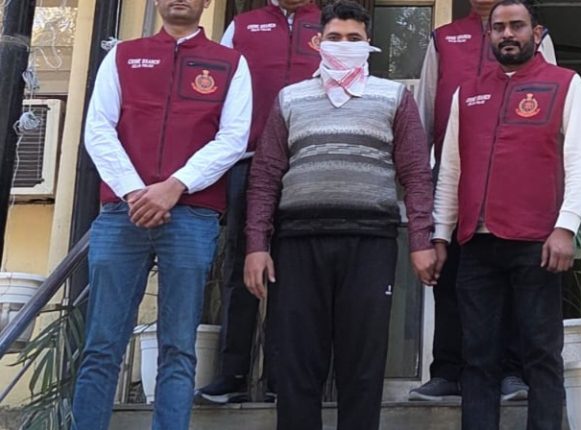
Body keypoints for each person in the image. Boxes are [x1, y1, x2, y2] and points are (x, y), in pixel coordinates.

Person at [244, 1, 437, 428]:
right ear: (318, 42)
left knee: (363, 367)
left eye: (354, 38)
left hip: (370, 244)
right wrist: (256, 245)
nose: (344, 45)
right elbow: (265, 175)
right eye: (335, 37)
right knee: (297, 367)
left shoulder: (395, 97)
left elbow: (416, 174)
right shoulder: (290, 99)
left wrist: (421, 240)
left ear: (369, 44)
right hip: (297, 246)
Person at [71, 0, 251, 428]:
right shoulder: (123, 55)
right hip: (122, 212)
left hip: (192, 215)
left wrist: (175, 186)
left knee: (178, 348)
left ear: (207, 2)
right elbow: (98, 128)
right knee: (101, 346)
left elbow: (233, 138)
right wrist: (135, 191)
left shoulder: (230, 62)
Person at [432, 0, 581, 428]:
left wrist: (565, 227)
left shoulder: (565, 84)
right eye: (499, 27)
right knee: (477, 357)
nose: (507, 34)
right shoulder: (467, 93)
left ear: (536, 33)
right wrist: (440, 235)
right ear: (489, 35)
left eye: (517, 26)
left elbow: (580, 160)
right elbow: (451, 169)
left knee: (541, 354)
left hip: (537, 242)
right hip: (476, 244)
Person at [410, 0, 557, 403]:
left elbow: (553, 104)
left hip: (517, 177)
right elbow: (424, 112)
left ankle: (512, 371)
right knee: (451, 275)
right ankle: (447, 371)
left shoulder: (534, 35)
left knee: (513, 278)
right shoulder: (443, 38)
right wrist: (419, 177)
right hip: (454, 173)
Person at [195, 0, 321, 404]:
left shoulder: (327, 25)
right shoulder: (242, 26)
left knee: (297, 270)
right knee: (240, 266)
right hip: (247, 161)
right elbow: (216, 92)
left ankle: (282, 380)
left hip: (307, 161)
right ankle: (232, 375)